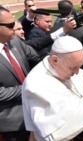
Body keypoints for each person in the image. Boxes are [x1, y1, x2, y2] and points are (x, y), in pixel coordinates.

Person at [22, 36, 83, 140]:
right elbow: (53, 135)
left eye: (79, 67)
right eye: (73, 68)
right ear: (55, 60)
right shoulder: (36, 84)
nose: (77, 73)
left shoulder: (66, 68)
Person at [0, 5, 41, 141]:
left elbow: (36, 59)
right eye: (10, 25)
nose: (15, 28)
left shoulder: (15, 41)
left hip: (34, 112)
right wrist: (26, 87)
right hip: (12, 123)